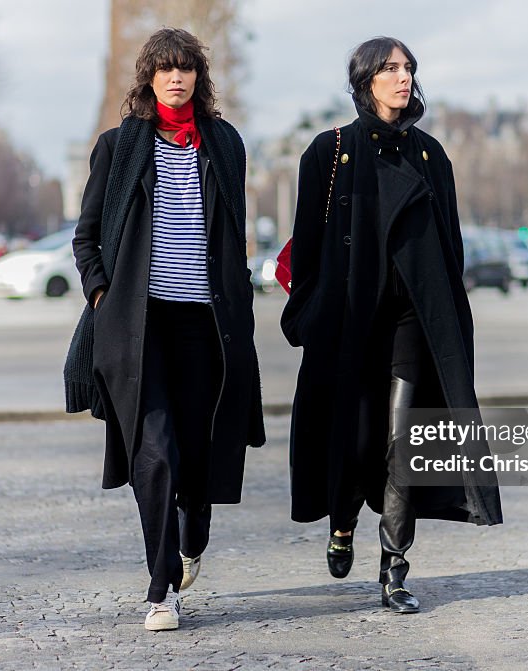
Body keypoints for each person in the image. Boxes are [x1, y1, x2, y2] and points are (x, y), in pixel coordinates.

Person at [280, 37, 503, 614]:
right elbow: (307, 247)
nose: (402, 79)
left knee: (405, 441)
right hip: (353, 321)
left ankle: (394, 568)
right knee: (354, 442)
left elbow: (448, 247)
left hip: (412, 322)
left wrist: (453, 320)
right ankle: (343, 521)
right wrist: (307, 311)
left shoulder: (430, 156)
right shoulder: (328, 153)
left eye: (408, 69)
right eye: (389, 69)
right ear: (365, 80)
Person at [63, 28, 265, 632]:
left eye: (186, 69)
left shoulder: (225, 145)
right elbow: (86, 236)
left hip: (205, 325)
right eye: (165, 68)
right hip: (138, 325)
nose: (176, 78)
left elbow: (234, 235)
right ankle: (161, 589)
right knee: (154, 453)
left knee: (196, 457)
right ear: (149, 79)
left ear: (199, 79)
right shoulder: (119, 146)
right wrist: (102, 295)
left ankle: (194, 531)